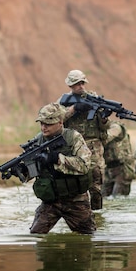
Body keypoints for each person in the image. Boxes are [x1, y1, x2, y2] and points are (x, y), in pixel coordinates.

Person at [16, 103, 96, 234]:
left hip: (75, 200)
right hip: (51, 201)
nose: (43, 127)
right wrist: (22, 171)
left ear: (60, 122)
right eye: (41, 123)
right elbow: (33, 171)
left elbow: (84, 165)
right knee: (36, 235)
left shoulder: (73, 138)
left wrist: (58, 159)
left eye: (48, 124)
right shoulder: (38, 140)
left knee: (87, 238)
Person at [57, 69, 110, 210]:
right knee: (75, 185)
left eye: (82, 83)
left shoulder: (94, 98)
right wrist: (74, 109)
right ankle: (78, 215)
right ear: (70, 86)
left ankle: (97, 216)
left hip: (94, 147)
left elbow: (104, 127)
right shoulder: (64, 101)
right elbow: (56, 120)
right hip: (73, 147)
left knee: (96, 187)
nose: (80, 86)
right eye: (76, 84)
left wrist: (104, 118)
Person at [102, 121, 135, 197]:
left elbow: (106, 138)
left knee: (118, 197)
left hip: (122, 169)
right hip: (109, 168)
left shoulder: (115, 127)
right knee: (103, 197)